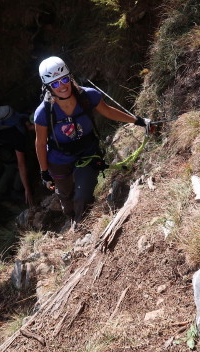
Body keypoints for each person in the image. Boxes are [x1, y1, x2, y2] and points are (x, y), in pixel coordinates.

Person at [33, 56, 152, 228]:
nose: (63, 86)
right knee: (65, 194)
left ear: (70, 77)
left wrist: (138, 121)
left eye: (65, 79)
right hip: (59, 159)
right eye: (56, 83)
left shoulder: (87, 96)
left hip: (87, 153)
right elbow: (40, 143)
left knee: (82, 195)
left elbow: (109, 112)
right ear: (48, 87)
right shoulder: (43, 113)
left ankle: (79, 224)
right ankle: (70, 214)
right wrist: (44, 172)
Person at [0, 105, 34, 207]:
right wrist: (27, 189)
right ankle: (15, 192)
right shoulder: (18, 135)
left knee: (10, 166)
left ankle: (0, 193)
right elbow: (22, 165)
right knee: (15, 166)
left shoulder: (18, 116)